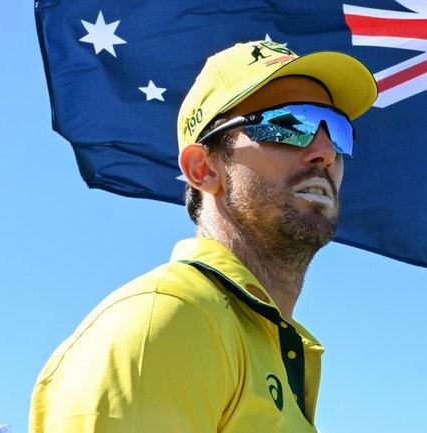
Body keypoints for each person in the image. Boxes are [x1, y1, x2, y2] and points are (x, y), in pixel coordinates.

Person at [28, 40, 377, 432]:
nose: (325, 152)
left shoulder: (263, 345)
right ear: (203, 169)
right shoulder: (167, 319)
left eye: (339, 132)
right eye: (288, 124)